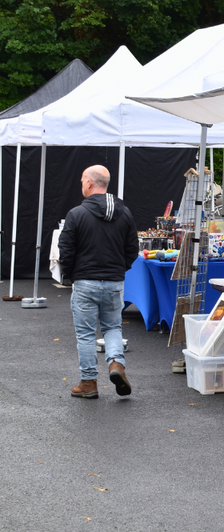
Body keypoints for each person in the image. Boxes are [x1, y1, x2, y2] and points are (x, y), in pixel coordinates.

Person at [58, 165, 138, 398]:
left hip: (85, 282)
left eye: (83, 180)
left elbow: (66, 250)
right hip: (113, 282)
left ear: (90, 183)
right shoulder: (125, 213)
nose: (81, 184)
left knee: (85, 334)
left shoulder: (76, 214)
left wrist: (71, 274)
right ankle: (116, 364)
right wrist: (119, 269)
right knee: (112, 327)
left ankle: (89, 383)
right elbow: (132, 248)